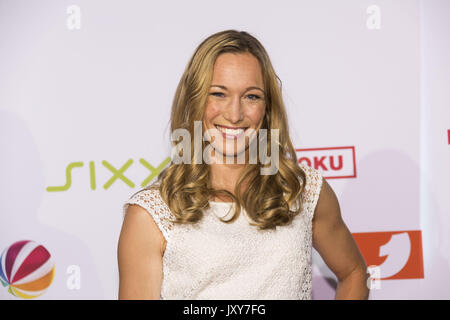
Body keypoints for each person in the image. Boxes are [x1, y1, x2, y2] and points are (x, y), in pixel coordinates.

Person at [117, 29, 369, 300]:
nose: (235, 114)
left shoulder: (302, 190)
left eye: (251, 96)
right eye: (218, 94)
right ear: (195, 100)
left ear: (267, 106)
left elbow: (354, 272)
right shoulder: (152, 212)